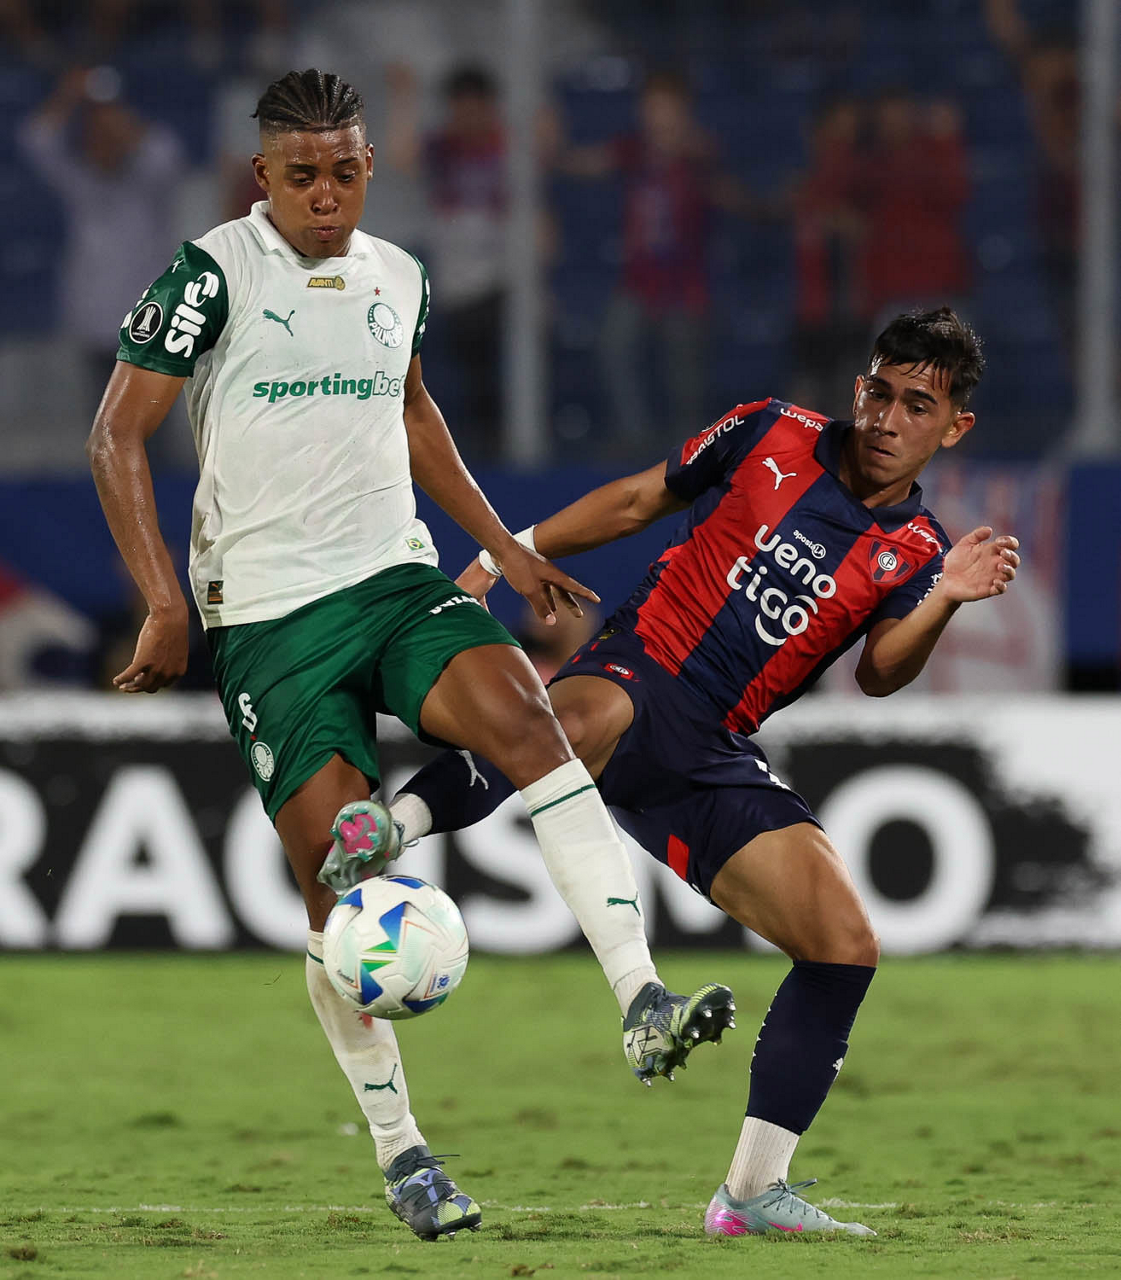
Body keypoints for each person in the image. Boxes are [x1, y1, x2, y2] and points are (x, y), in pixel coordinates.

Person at [86, 68, 733, 1243]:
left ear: (370, 166)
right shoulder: (210, 274)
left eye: (343, 172)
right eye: (301, 176)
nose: (324, 196)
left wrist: (504, 545)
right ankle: (404, 1153)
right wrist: (163, 602)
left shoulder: (400, 276)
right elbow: (114, 433)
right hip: (267, 617)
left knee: (530, 716)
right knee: (332, 891)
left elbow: (414, 409)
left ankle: (641, 995)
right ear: (262, 175)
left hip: (392, 577)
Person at [349, 307, 1020, 1236]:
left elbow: (878, 674)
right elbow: (637, 501)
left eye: (916, 405)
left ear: (953, 427)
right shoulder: (770, 431)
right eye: (877, 391)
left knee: (843, 945)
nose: (884, 418)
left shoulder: (913, 550)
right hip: (640, 665)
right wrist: (510, 555)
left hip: (714, 751)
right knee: (570, 721)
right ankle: (390, 830)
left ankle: (750, 1194)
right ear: (857, 386)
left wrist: (943, 597)